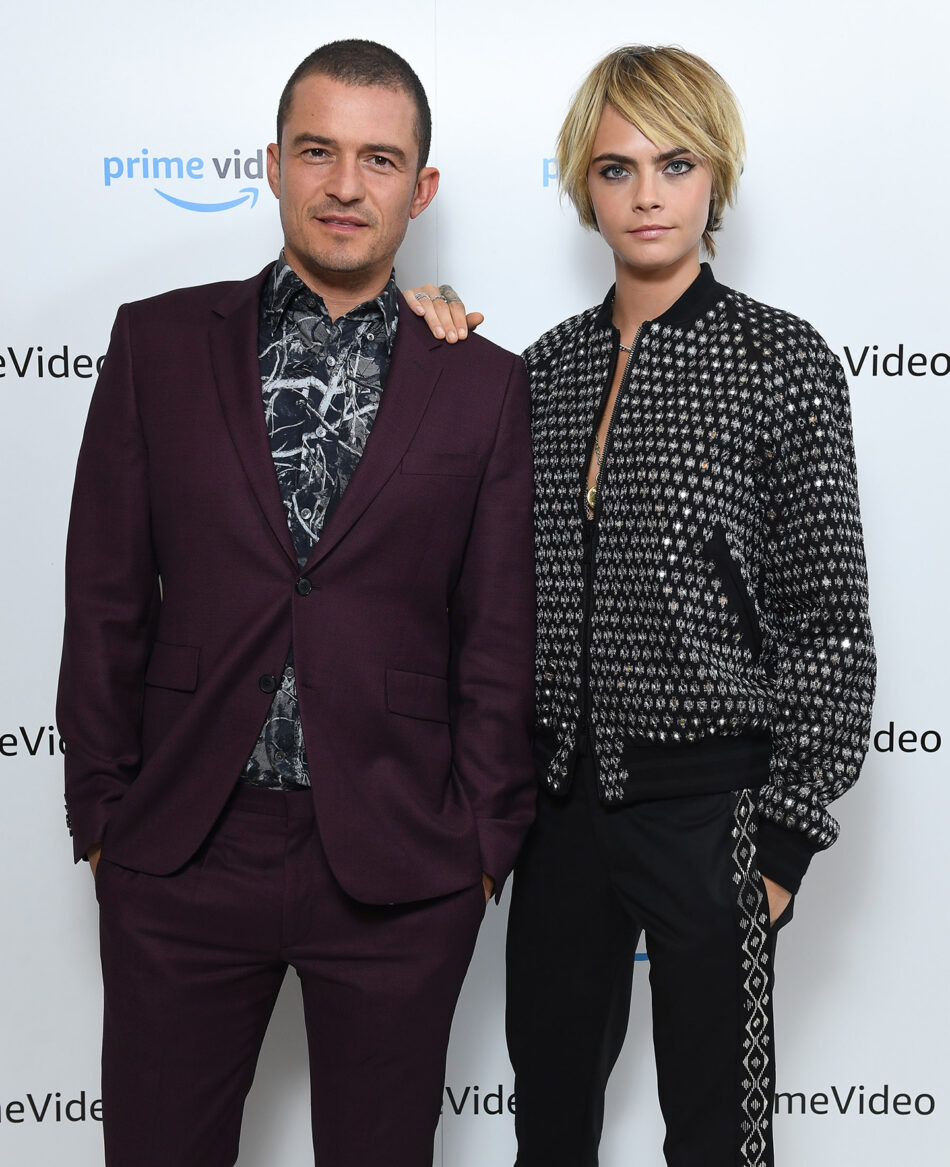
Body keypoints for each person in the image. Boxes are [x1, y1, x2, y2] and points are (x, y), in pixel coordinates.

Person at [57, 38, 536, 1167]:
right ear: (272, 165)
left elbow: (498, 636)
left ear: (420, 187)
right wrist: (103, 814)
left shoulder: (483, 382)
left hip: (400, 859)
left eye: (380, 159)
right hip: (180, 846)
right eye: (317, 152)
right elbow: (105, 592)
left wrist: (481, 846)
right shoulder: (155, 343)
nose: (345, 185)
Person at [407, 44, 875, 1167]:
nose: (648, 194)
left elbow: (830, 619)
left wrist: (778, 846)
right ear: (585, 185)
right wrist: (413, 330)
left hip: (714, 813)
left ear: (715, 175)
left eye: (675, 163)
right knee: (548, 1127)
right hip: (559, 811)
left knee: (715, 1138)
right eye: (617, 169)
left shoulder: (780, 360)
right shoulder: (541, 370)